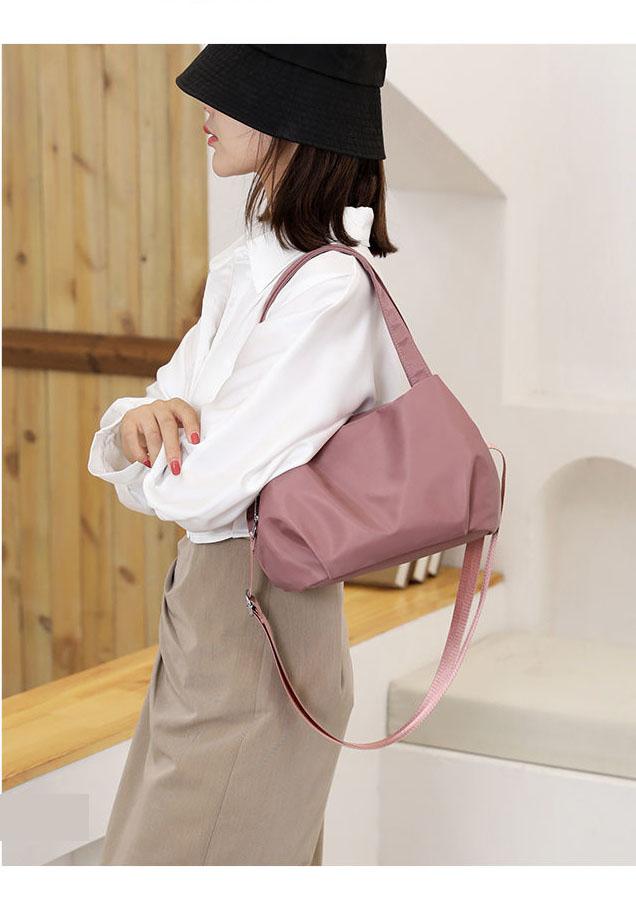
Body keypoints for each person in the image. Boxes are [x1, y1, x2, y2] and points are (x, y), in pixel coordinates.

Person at [87, 44, 408, 866]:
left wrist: (157, 443)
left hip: (256, 632)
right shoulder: (249, 269)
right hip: (213, 624)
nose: (206, 109)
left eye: (231, 94)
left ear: (290, 115)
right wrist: (137, 427)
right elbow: (146, 429)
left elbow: (199, 489)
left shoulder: (329, 289)